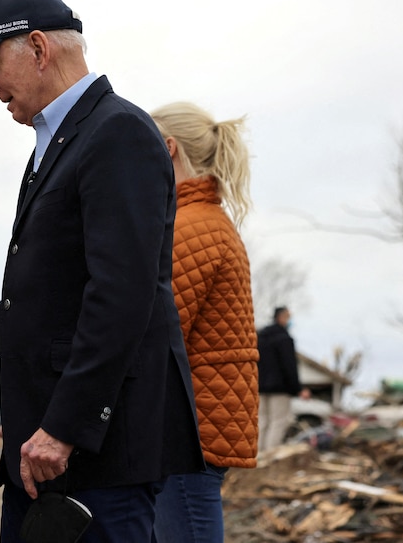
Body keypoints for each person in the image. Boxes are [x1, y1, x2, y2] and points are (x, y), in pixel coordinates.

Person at [0, 0, 204, 542]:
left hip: (91, 455)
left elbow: (122, 294)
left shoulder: (118, 132)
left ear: (37, 47)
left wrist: (64, 428)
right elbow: (45, 300)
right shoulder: (56, 141)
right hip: (47, 456)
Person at [149, 102, 259, 543]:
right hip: (199, 423)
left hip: (187, 430)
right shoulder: (206, 221)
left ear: (168, 149)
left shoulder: (190, 228)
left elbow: (154, 333)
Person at [257, 306, 310, 452]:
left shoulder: (259, 337)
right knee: (278, 421)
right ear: (281, 317)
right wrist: (297, 388)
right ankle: (269, 457)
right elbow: (289, 366)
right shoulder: (284, 339)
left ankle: (256, 457)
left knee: (262, 421)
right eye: (288, 316)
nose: (289, 320)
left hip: (259, 388)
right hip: (279, 389)